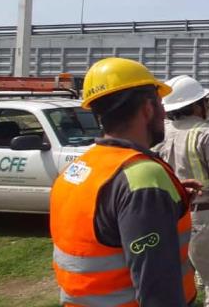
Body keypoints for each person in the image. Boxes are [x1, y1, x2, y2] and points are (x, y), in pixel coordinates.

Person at [50, 57, 198, 306]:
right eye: (161, 105)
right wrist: (152, 199)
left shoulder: (78, 169)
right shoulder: (142, 178)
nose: (165, 113)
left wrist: (163, 205)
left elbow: (104, 224)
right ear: (147, 109)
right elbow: (157, 289)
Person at [153, 73, 209, 307]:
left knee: (186, 275)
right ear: (195, 106)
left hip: (173, 215)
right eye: (202, 101)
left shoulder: (163, 131)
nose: (206, 104)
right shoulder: (206, 134)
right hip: (206, 216)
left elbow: (199, 109)